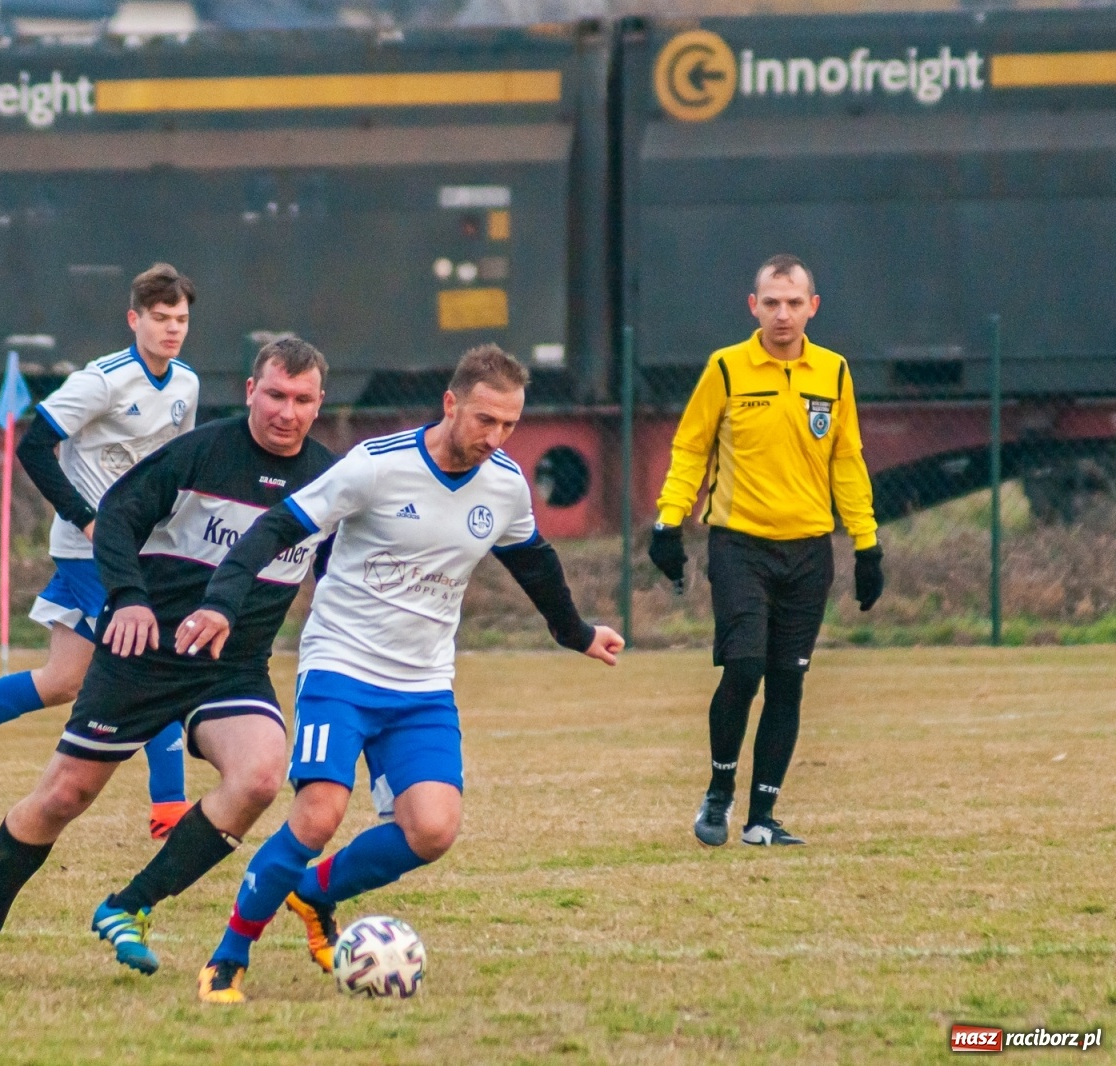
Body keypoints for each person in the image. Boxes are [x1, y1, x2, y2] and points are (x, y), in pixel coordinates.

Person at [180, 344, 624, 1004]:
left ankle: (312, 892)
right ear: (451, 404)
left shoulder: (503, 485)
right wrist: (221, 600)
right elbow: (279, 525)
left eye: (509, 425)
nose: (496, 438)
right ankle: (229, 954)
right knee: (320, 812)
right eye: (484, 420)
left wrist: (576, 633)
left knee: (434, 828)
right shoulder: (376, 467)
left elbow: (533, 562)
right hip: (341, 666)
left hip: (422, 687)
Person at [0, 337, 335, 984]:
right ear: (250, 391)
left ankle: (132, 906)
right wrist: (127, 598)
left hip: (230, 668)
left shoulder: (329, 480)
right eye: (275, 395)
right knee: (64, 795)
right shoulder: (201, 452)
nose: (286, 411)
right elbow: (118, 516)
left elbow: (343, 568)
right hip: (142, 655)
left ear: (320, 404)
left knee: (261, 777)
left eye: (301, 399)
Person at [0, 264, 199, 839]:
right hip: (93, 555)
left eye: (181, 319)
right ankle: (171, 809)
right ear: (135, 320)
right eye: (160, 318)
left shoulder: (186, 384)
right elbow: (35, 447)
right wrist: (84, 519)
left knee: (61, 681)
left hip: (144, 550)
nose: (172, 329)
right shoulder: (101, 381)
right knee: (150, 659)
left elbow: (175, 471)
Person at [648, 253, 882, 849]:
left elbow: (848, 461)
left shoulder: (833, 373)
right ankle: (719, 794)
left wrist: (867, 542)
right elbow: (691, 449)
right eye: (771, 303)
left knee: (788, 680)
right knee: (744, 665)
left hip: (809, 552)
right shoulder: (726, 369)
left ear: (813, 307)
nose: (783, 314)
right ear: (753, 306)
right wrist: (668, 522)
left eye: (794, 303)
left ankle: (762, 819)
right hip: (739, 544)